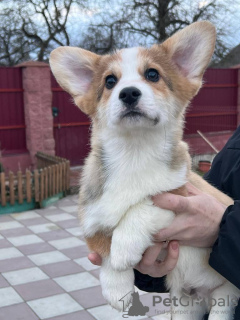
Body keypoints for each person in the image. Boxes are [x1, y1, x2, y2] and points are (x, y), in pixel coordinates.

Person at [88, 126, 240, 318]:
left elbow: (214, 212)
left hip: (225, 290)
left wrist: (225, 227)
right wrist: (150, 266)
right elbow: (202, 199)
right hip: (197, 284)